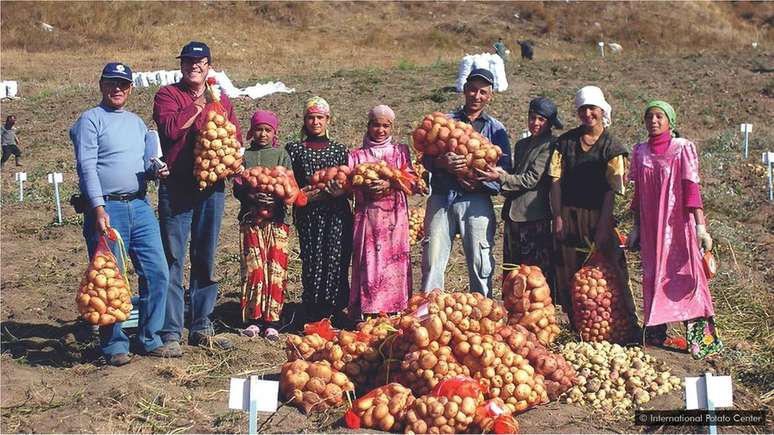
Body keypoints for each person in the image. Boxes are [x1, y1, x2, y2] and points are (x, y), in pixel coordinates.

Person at [70, 62, 172, 366]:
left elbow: (146, 162)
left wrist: (157, 170)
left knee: (157, 271)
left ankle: (149, 337)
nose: (117, 89)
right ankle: (114, 345)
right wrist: (98, 206)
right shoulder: (90, 120)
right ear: (101, 85)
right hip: (107, 208)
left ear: (130, 88)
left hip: (139, 206)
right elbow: (86, 166)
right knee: (108, 278)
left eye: (123, 84)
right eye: (112, 83)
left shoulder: (137, 123)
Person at [153, 41, 241, 352]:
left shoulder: (223, 100)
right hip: (177, 185)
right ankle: (171, 331)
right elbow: (172, 129)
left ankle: (202, 323)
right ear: (181, 65)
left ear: (208, 65)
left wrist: (233, 161)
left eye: (200, 61)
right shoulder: (168, 95)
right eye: (189, 61)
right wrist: (200, 106)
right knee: (173, 257)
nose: (194, 66)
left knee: (206, 255)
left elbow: (233, 139)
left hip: (212, 187)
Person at [628, 100, 722, 358]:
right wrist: (635, 227)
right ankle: (656, 333)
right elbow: (638, 195)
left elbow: (692, 192)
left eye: (659, 116)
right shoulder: (641, 152)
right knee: (653, 274)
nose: (654, 121)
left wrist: (701, 228)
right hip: (651, 228)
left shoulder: (682, 149)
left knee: (685, 277)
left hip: (678, 227)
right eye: (649, 117)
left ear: (670, 121)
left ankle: (699, 339)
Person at [548, 85, 638, 337]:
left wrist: (603, 225)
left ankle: (623, 325)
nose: (588, 114)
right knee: (568, 268)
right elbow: (555, 180)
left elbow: (613, 189)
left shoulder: (612, 146)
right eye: (583, 109)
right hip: (568, 213)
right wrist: (557, 216)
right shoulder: (565, 142)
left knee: (611, 268)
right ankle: (580, 323)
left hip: (600, 214)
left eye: (593, 109)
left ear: (602, 110)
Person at [421, 68, 511, 296]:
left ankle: (483, 312)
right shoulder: (445, 122)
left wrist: (480, 183)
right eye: (472, 89)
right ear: (464, 90)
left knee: (481, 263)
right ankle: (429, 316)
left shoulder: (496, 129)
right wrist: (443, 164)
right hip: (442, 196)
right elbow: (426, 158)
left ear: (490, 96)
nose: (476, 96)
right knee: (432, 258)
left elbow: (504, 171)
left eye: (483, 92)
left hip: (476, 200)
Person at [478, 97, 562, 288]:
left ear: (550, 123)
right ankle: (515, 311)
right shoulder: (522, 144)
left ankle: (538, 313)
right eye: (532, 118)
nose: (535, 123)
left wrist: (500, 178)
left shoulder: (551, 145)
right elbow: (517, 174)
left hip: (534, 216)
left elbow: (531, 179)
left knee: (534, 273)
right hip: (512, 215)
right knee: (513, 270)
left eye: (541, 120)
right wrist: (502, 174)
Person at [286, 97, 353, 326]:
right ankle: (313, 311)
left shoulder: (340, 150)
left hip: (337, 215)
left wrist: (337, 192)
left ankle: (336, 310)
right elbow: (288, 183)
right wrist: (308, 195)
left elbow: (350, 184)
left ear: (328, 120)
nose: (315, 122)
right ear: (304, 120)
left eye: (320, 118)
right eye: (311, 117)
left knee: (336, 260)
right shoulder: (294, 149)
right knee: (312, 260)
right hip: (309, 216)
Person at [348, 105, 418, 319]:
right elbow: (349, 186)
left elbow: (413, 183)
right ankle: (369, 310)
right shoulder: (356, 156)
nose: (380, 130)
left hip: (395, 218)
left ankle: (395, 309)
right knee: (370, 262)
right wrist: (363, 187)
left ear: (392, 127)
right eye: (376, 125)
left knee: (394, 262)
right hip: (368, 218)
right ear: (368, 126)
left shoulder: (400, 152)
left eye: (385, 126)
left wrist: (393, 182)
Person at [233, 110, 292, 340]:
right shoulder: (245, 155)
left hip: (277, 220)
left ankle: (273, 321)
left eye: (268, 130)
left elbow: (289, 186)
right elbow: (237, 189)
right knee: (254, 269)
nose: (263, 134)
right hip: (250, 219)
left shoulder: (281, 155)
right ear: (251, 131)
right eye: (258, 129)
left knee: (275, 269)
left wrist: (274, 198)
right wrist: (249, 192)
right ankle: (254, 319)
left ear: (274, 132)